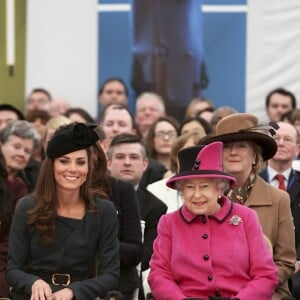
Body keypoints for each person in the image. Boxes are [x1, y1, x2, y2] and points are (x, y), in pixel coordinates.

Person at [148, 141, 278, 299]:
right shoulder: (169, 223)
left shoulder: (246, 217)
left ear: (220, 188)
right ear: (181, 191)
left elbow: (265, 275)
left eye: (204, 186)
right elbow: (159, 275)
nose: (196, 195)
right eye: (189, 187)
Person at [6, 122, 120, 300]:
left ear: (88, 168)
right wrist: (32, 282)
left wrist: (74, 291)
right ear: (51, 165)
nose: (73, 169)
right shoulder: (27, 206)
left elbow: (111, 275)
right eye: (64, 161)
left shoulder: (104, 210)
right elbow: (13, 269)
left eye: (80, 162)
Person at [202, 113, 296, 299]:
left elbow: (285, 263)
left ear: (255, 156)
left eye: (242, 146)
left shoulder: (279, 199)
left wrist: (251, 288)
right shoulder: (202, 197)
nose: (233, 152)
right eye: (227, 147)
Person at [107, 133, 167, 299]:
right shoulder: (92, 197)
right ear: (108, 163)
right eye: (120, 157)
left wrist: (101, 249)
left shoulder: (156, 206)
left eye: (134, 157)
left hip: (128, 286)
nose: (127, 162)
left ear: (145, 163)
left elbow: (147, 255)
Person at [91, 131, 143, 300]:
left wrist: (94, 247)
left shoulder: (122, 190)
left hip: (117, 284)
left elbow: (135, 252)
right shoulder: (59, 193)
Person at [259, 121, 300, 299]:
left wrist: (298, 260)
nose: (281, 142)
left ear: (297, 149)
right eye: (276, 138)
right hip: (258, 265)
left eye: (288, 139)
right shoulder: (251, 183)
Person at [0, 120, 41, 193]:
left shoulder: (30, 181)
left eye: (27, 151)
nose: (22, 154)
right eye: (17, 147)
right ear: (1, 146)